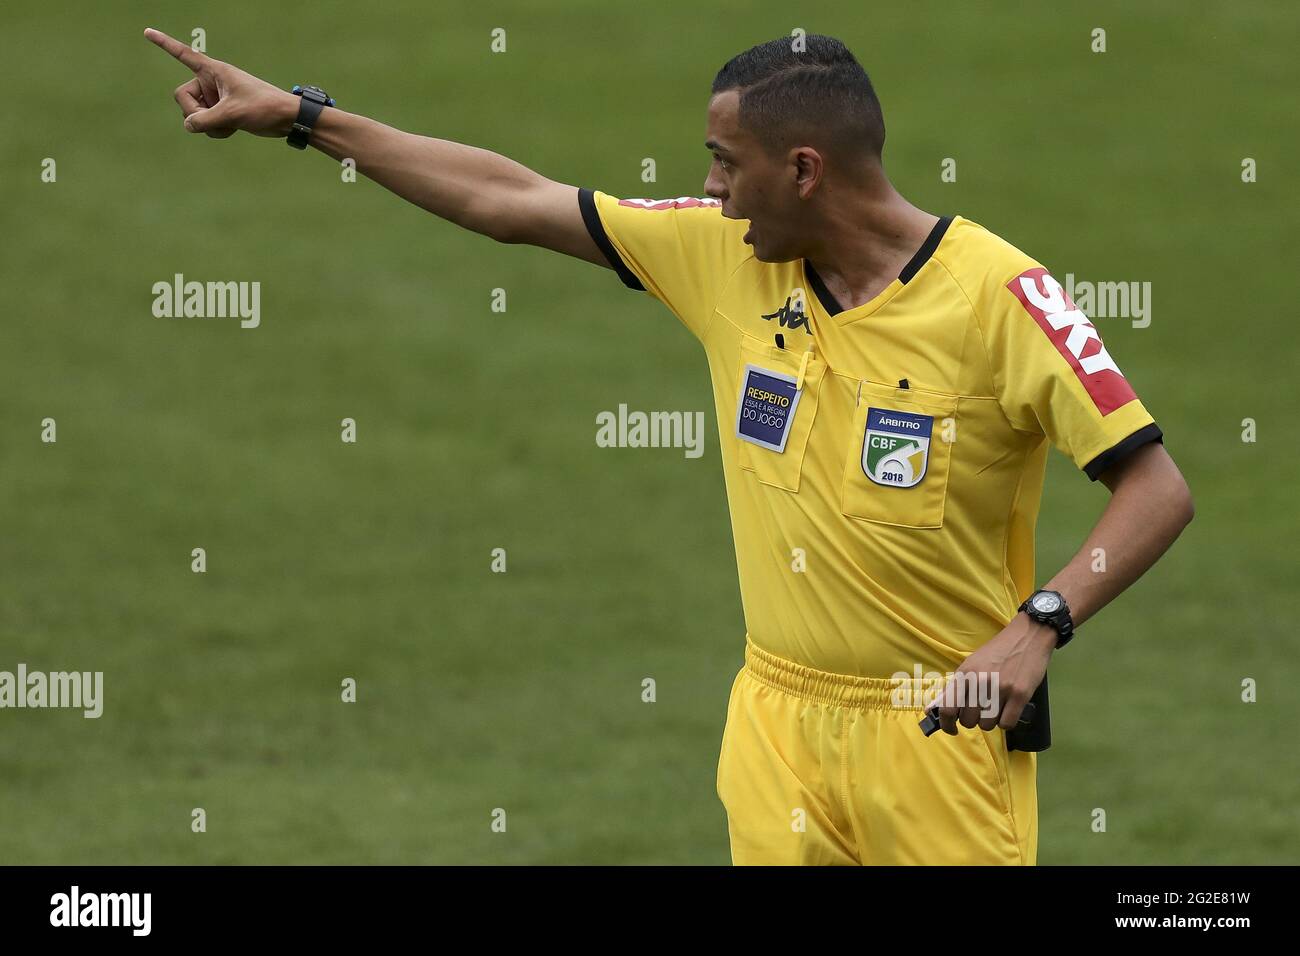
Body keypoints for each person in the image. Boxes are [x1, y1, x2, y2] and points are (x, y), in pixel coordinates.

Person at [145, 28, 1194, 865]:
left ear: (804, 167)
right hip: (776, 725)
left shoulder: (1002, 296)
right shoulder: (725, 256)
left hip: (936, 741)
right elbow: (511, 199)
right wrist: (300, 116)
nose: (712, 188)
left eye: (725, 164)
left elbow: (1155, 487)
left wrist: (1040, 625)